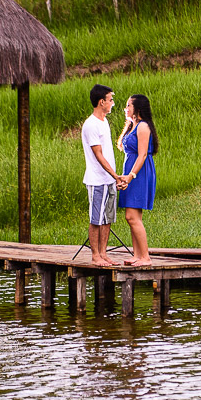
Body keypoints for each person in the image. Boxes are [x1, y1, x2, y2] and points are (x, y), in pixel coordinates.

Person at [81, 84, 125, 266]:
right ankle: (95, 256)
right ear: (101, 102)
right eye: (110, 100)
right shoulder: (90, 125)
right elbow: (98, 155)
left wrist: (114, 178)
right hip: (97, 180)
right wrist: (116, 175)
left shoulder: (104, 122)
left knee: (107, 219)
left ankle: (104, 253)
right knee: (96, 219)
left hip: (109, 180)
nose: (113, 103)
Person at [116, 94, 159, 266]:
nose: (125, 109)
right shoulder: (132, 126)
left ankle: (145, 257)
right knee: (133, 216)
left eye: (128, 106)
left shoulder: (143, 127)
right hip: (131, 172)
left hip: (139, 173)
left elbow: (142, 155)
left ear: (137, 109)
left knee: (132, 216)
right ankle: (137, 255)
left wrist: (131, 175)